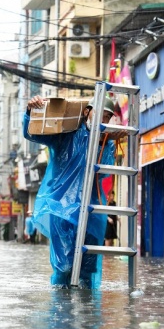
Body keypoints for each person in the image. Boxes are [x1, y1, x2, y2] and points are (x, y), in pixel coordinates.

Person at [23, 94, 127, 289]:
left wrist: (102, 143)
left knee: (88, 270)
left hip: (91, 209)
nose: (102, 121)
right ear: (87, 112)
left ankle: (87, 316)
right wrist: (30, 112)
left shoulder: (107, 141)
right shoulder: (66, 134)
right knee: (64, 266)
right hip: (61, 207)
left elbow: (103, 172)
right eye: (100, 115)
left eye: (107, 117)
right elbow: (32, 134)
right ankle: (61, 314)